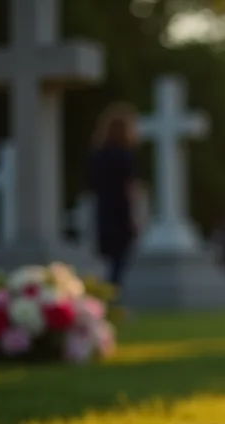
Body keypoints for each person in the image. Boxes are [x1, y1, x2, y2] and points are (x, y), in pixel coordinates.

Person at [87, 103, 143, 289]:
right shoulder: (125, 156)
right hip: (121, 213)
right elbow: (130, 188)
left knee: (108, 261)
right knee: (119, 262)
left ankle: (106, 294)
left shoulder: (98, 155)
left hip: (103, 211)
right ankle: (112, 298)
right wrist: (135, 217)